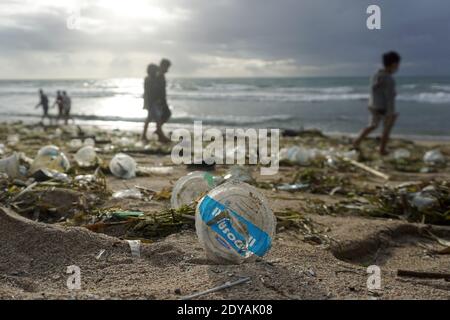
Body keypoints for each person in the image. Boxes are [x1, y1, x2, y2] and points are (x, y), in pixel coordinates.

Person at [353, 51, 401, 155]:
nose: (398, 67)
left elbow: (375, 90)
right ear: (393, 64)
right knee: (387, 127)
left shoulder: (376, 75)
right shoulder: (389, 79)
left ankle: (356, 142)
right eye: (397, 65)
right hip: (383, 107)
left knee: (372, 125)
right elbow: (389, 97)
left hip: (373, 105)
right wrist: (391, 112)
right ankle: (382, 149)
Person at [154, 58, 172, 143]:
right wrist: (159, 100)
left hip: (161, 99)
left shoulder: (160, 75)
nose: (167, 70)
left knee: (164, 115)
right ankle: (159, 133)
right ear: (162, 66)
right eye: (167, 68)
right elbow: (157, 89)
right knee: (165, 114)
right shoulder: (159, 75)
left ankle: (159, 131)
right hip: (159, 100)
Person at [142, 63, 160, 142]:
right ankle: (158, 133)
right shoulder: (149, 79)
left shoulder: (149, 79)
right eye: (155, 71)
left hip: (151, 101)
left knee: (150, 118)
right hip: (151, 102)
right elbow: (150, 91)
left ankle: (144, 135)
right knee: (154, 118)